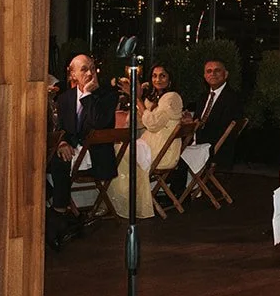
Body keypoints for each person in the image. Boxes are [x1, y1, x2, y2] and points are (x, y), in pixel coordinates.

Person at [50, 54, 119, 230]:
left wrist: (88, 94)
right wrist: (62, 143)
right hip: (73, 151)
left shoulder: (108, 95)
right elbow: (62, 129)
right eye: (83, 69)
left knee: (60, 162)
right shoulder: (65, 98)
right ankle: (59, 211)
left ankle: (58, 212)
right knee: (51, 157)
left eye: (92, 67)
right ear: (73, 75)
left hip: (96, 155)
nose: (90, 72)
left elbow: (98, 123)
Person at [110, 63, 185, 220]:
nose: (157, 79)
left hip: (162, 152)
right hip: (153, 145)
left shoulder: (171, 98)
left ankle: (124, 202)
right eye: (154, 76)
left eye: (162, 75)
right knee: (119, 147)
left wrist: (136, 98)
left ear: (170, 79)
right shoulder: (157, 98)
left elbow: (152, 123)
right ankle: (123, 200)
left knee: (119, 151)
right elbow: (141, 121)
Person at [193, 58, 244, 160]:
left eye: (217, 70)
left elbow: (222, 129)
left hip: (216, 149)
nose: (213, 74)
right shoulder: (202, 97)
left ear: (225, 74)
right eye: (209, 71)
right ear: (205, 76)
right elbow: (198, 121)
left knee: (176, 157)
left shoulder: (233, 98)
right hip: (198, 144)